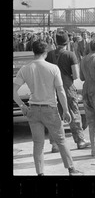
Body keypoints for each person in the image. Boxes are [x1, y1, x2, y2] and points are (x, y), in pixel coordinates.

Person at [13, 40, 83, 176]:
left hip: (33, 109)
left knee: (38, 143)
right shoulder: (53, 68)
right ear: (45, 52)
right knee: (61, 140)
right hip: (50, 109)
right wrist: (66, 110)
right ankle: (71, 169)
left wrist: (22, 105)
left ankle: (40, 173)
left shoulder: (25, 68)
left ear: (33, 51)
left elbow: (14, 90)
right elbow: (61, 91)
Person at [45, 32, 91, 152]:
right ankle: (80, 141)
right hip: (67, 88)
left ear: (56, 41)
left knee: (54, 116)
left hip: (53, 88)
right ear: (67, 42)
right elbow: (75, 75)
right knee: (73, 113)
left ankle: (55, 144)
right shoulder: (70, 55)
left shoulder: (49, 55)